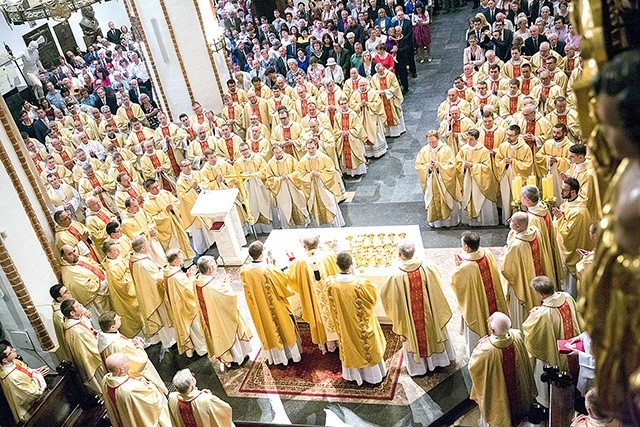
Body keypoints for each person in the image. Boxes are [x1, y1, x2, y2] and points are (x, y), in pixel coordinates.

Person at [381, 240, 455, 375]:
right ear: (414, 252)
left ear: (399, 254)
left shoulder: (396, 275)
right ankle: (439, 361)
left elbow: (387, 296)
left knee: (414, 334)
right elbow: (437, 282)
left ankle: (419, 368)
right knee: (433, 330)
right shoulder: (427, 266)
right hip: (430, 316)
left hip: (412, 321)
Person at [327, 251, 386, 384]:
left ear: (337, 265)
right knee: (367, 346)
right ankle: (373, 376)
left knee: (349, 345)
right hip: (362, 325)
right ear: (352, 264)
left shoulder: (331, 284)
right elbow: (372, 301)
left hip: (345, 325)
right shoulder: (361, 284)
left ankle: (354, 376)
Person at [468, 312, 537, 427]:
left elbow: (473, 367)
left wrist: (479, 346)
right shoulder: (517, 335)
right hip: (519, 391)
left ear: (493, 330)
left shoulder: (486, 350)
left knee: (500, 408)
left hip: (499, 393)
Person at [522, 275, 582, 408]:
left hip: (556, 354)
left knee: (544, 369)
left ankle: (547, 401)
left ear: (541, 295)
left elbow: (531, 333)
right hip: (573, 348)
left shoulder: (544, 314)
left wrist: (533, 315)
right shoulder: (567, 297)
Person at [240, 241, 301, 365]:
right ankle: (291, 355)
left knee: (268, 328)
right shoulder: (268, 270)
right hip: (276, 306)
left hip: (259, 308)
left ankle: (277, 357)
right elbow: (283, 280)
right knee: (284, 327)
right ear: (261, 254)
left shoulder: (244, 271)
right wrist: (291, 260)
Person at [451, 232, 509, 354]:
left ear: (466, 247)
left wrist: (457, 267)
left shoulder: (466, 266)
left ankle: (476, 348)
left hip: (477, 304)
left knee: (478, 316)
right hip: (491, 296)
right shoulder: (487, 253)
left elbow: (457, 284)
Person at [195, 256, 253, 368]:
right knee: (229, 335)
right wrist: (227, 284)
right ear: (210, 269)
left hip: (211, 317)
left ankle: (229, 358)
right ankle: (236, 358)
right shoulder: (213, 286)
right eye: (215, 266)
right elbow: (230, 297)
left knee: (219, 337)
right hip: (221, 318)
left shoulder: (197, 281)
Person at [286, 235, 340, 353]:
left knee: (318, 316)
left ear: (304, 247)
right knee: (334, 316)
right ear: (319, 243)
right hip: (331, 298)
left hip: (314, 301)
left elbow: (292, 279)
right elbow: (338, 270)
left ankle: (327, 345)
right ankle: (339, 341)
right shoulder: (329, 256)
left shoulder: (300, 263)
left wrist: (291, 260)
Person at [97, 311, 168, 394]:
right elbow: (138, 361)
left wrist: (130, 342)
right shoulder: (117, 344)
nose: (120, 317)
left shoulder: (104, 337)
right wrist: (139, 346)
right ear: (112, 327)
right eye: (117, 319)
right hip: (135, 376)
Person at [502, 212, 548, 328]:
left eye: (511, 220)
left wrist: (505, 254)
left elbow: (507, 270)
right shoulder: (536, 232)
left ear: (518, 227)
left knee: (521, 313)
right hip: (536, 276)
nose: (509, 221)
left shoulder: (516, 245)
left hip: (522, 284)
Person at [129, 235, 176, 349]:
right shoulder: (142, 264)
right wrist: (169, 273)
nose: (149, 246)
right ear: (143, 248)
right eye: (147, 245)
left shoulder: (138, 258)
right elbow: (156, 279)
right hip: (154, 295)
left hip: (149, 291)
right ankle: (170, 341)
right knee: (163, 317)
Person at [102, 353, 171, 427]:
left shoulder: (106, 380)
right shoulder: (131, 389)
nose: (129, 360)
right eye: (127, 360)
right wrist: (152, 387)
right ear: (122, 369)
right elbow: (152, 403)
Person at [163, 249, 208, 358]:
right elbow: (188, 290)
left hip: (179, 304)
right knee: (195, 327)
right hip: (186, 307)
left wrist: (187, 275)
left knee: (192, 328)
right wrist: (192, 275)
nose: (182, 258)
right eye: (180, 257)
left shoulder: (169, 271)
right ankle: (202, 349)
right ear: (174, 262)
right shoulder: (177, 277)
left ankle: (195, 348)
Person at [552, 178, 593, 296]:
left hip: (573, 252)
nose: (561, 192)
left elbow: (569, 235)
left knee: (571, 287)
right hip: (564, 247)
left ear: (573, 192)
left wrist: (560, 218)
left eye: (564, 190)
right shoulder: (567, 203)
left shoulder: (579, 212)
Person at [520, 185, 565, 288]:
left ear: (528, 200)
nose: (519, 198)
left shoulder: (532, 218)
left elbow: (531, 241)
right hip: (549, 245)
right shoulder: (542, 207)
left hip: (541, 253)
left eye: (521, 196)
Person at [416, 130, 461, 228]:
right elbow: (418, 166)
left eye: (434, 141)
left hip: (444, 182)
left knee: (447, 198)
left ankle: (450, 222)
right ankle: (436, 223)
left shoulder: (446, 149)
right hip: (431, 180)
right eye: (429, 142)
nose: (432, 144)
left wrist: (439, 166)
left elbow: (452, 165)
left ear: (438, 139)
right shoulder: (424, 150)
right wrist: (428, 166)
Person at [296, 139, 345, 227]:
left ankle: (334, 226)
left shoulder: (324, 157)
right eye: (308, 148)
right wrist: (309, 176)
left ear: (316, 147)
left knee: (329, 205)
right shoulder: (303, 161)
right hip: (312, 190)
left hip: (324, 188)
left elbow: (330, 171)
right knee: (315, 207)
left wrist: (320, 174)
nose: (311, 150)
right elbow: (300, 174)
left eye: (312, 148)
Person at [61, 298, 105, 394]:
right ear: (72, 313)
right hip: (93, 360)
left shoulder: (75, 320)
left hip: (94, 356)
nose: (81, 305)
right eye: (78, 306)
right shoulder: (76, 330)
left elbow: (91, 331)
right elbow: (91, 347)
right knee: (103, 384)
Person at [143, 178, 195, 260]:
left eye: (157, 186)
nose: (157, 189)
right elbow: (152, 219)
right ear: (148, 190)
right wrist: (165, 211)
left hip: (176, 222)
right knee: (174, 247)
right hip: (167, 228)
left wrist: (173, 208)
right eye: (154, 188)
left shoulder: (165, 193)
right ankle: (179, 264)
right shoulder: (148, 203)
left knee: (184, 240)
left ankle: (190, 260)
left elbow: (176, 202)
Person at [456, 129, 499, 226]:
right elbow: (458, 162)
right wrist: (463, 165)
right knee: (468, 196)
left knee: (480, 199)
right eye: (467, 139)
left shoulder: (483, 150)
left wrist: (472, 166)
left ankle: (485, 221)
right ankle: (471, 221)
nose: (468, 141)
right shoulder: (464, 149)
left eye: (471, 139)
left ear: (476, 139)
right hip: (467, 179)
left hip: (479, 181)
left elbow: (487, 168)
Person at [263, 143, 310, 228]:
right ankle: (288, 226)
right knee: (285, 208)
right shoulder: (270, 163)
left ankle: (302, 224)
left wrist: (289, 176)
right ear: (273, 153)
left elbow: (298, 170)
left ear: (282, 150)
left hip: (293, 186)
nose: (279, 154)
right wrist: (279, 179)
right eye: (276, 153)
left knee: (298, 204)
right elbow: (269, 179)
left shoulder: (290, 158)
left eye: (280, 152)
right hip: (281, 190)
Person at [59, 244, 110, 319]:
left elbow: (96, 265)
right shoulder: (69, 272)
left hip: (106, 287)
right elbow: (86, 288)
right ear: (64, 257)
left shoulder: (80, 259)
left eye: (74, 251)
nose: (74, 254)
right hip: (98, 299)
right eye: (70, 254)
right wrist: (100, 281)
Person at [494, 124, 534, 223]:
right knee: (506, 197)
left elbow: (528, 164)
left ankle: (521, 220)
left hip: (519, 178)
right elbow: (497, 160)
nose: (508, 137)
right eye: (507, 134)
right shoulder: (503, 146)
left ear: (518, 136)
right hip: (506, 176)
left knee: (519, 197)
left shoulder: (525, 148)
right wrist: (504, 162)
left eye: (511, 135)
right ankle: (507, 218)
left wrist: (513, 162)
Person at [0, 342, 48, 423]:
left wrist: (35, 372)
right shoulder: (11, 377)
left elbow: (26, 370)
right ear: (4, 360)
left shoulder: (14, 361)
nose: (14, 350)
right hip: (30, 408)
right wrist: (38, 377)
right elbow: (29, 393)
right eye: (11, 351)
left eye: (12, 348)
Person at [168, 368, 234, 427]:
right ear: (192, 385)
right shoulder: (206, 400)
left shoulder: (172, 398)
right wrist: (208, 396)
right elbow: (225, 409)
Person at [175, 160, 214, 255]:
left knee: (211, 225)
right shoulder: (180, 182)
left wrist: (199, 187)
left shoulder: (197, 174)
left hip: (204, 203)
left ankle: (213, 243)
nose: (188, 167)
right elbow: (183, 197)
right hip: (193, 209)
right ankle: (202, 250)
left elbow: (206, 183)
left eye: (189, 164)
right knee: (199, 231)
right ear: (181, 168)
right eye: (185, 166)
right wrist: (193, 189)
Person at [560, 144, 602, 221]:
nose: (568, 158)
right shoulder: (575, 164)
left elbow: (585, 198)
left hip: (582, 211)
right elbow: (572, 175)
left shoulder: (589, 174)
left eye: (572, 156)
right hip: (572, 202)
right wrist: (569, 179)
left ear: (580, 157)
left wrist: (569, 207)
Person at [349, 78, 388, 159]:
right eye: (360, 85)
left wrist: (367, 104)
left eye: (364, 85)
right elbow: (352, 105)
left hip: (372, 117)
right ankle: (368, 153)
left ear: (367, 84)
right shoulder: (355, 94)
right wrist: (360, 105)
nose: (362, 87)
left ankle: (379, 151)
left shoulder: (373, 92)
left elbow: (378, 104)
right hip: (361, 118)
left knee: (376, 132)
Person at [371, 63, 406, 138]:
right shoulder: (374, 78)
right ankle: (387, 133)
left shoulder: (391, 75)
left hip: (391, 98)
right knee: (383, 114)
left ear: (383, 68)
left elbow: (395, 86)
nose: (380, 73)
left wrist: (386, 92)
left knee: (393, 113)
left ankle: (396, 131)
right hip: (381, 99)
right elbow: (372, 89)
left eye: (381, 71)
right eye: (378, 72)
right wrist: (379, 92)